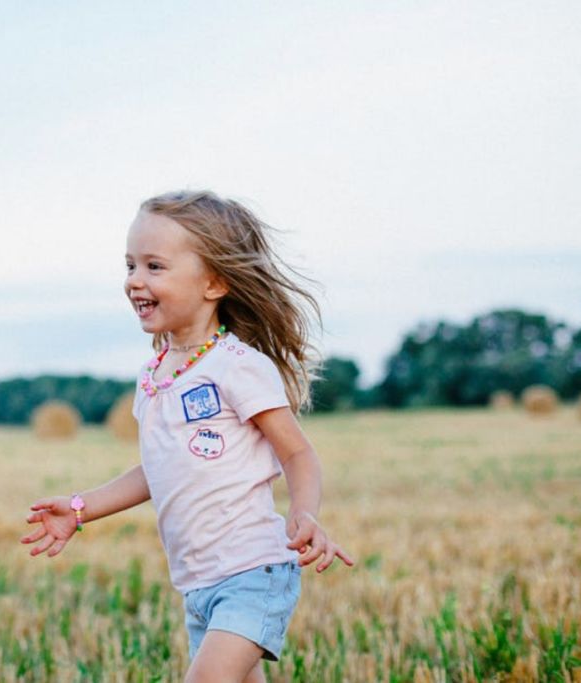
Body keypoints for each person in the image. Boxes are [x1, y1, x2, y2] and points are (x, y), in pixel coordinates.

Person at [20, 190, 354, 682]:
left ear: (214, 282)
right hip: (198, 584)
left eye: (155, 266)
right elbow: (157, 468)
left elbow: (297, 452)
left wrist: (304, 514)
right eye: (130, 265)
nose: (135, 280)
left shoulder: (238, 366)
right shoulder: (154, 375)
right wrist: (79, 508)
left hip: (253, 572)